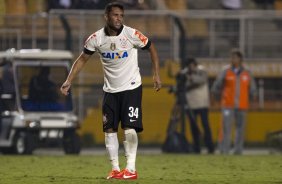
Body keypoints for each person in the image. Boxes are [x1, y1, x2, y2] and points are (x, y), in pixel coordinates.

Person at [60, 2, 161, 180]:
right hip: (110, 90)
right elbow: (82, 59)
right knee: (109, 130)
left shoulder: (131, 34)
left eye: (121, 16)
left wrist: (156, 74)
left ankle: (130, 169)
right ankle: (115, 169)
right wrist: (69, 80)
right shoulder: (96, 39)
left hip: (131, 87)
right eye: (115, 15)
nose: (119, 19)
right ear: (106, 17)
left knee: (129, 128)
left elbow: (151, 48)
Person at [211, 49, 257, 155]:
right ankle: (224, 150)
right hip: (228, 104)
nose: (232, 59)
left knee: (241, 129)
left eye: (235, 57)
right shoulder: (226, 71)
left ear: (240, 59)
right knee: (226, 128)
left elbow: (253, 88)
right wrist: (213, 94)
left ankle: (238, 150)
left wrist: (254, 98)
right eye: (231, 57)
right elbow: (217, 84)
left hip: (242, 105)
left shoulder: (247, 72)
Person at [180, 57, 214, 154]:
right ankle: (196, 148)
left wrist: (190, 77)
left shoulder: (201, 71)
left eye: (192, 65)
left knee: (205, 126)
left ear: (195, 64)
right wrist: (185, 77)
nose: (190, 67)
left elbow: (201, 80)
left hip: (202, 103)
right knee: (193, 127)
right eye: (189, 65)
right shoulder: (185, 73)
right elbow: (182, 85)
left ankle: (210, 147)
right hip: (191, 104)